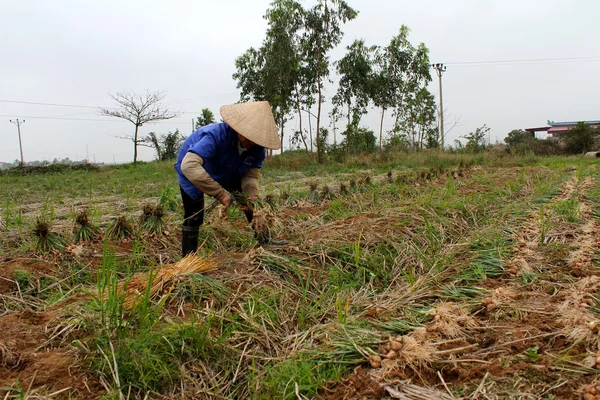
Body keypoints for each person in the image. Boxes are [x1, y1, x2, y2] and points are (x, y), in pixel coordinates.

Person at [174, 101, 282, 257]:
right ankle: (189, 258)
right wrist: (220, 194)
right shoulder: (214, 136)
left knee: (250, 203)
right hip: (194, 172)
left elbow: (250, 176)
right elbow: (189, 166)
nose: (252, 141)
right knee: (194, 214)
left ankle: (263, 239)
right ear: (239, 127)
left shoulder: (257, 149)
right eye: (249, 134)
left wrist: (252, 194)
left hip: (228, 170)